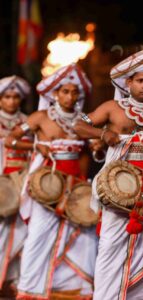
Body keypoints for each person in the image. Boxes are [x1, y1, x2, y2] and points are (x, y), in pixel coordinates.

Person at [75, 46, 143, 299]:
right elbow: (78, 125)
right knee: (110, 245)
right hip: (118, 187)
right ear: (128, 82)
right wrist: (102, 134)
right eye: (140, 80)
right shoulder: (112, 108)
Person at [9, 64, 98, 300]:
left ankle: (74, 288)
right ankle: (29, 290)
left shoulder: (82, 121)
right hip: (45, 186)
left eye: (74, 92)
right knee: (38, 235)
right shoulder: (40, 117)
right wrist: (35, 146)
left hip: (75, 186)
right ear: (55, 94)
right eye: (65, 92)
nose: (70, 97)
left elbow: (87, 153)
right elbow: (11, 140)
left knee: (84, 235)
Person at [0, 76, 32, 297]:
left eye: (15, 97)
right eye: (7, 97)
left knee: (24, 231)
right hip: (3, 182)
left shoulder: (28, 121)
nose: (11, 101)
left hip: (25, 182)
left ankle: (17, 280)